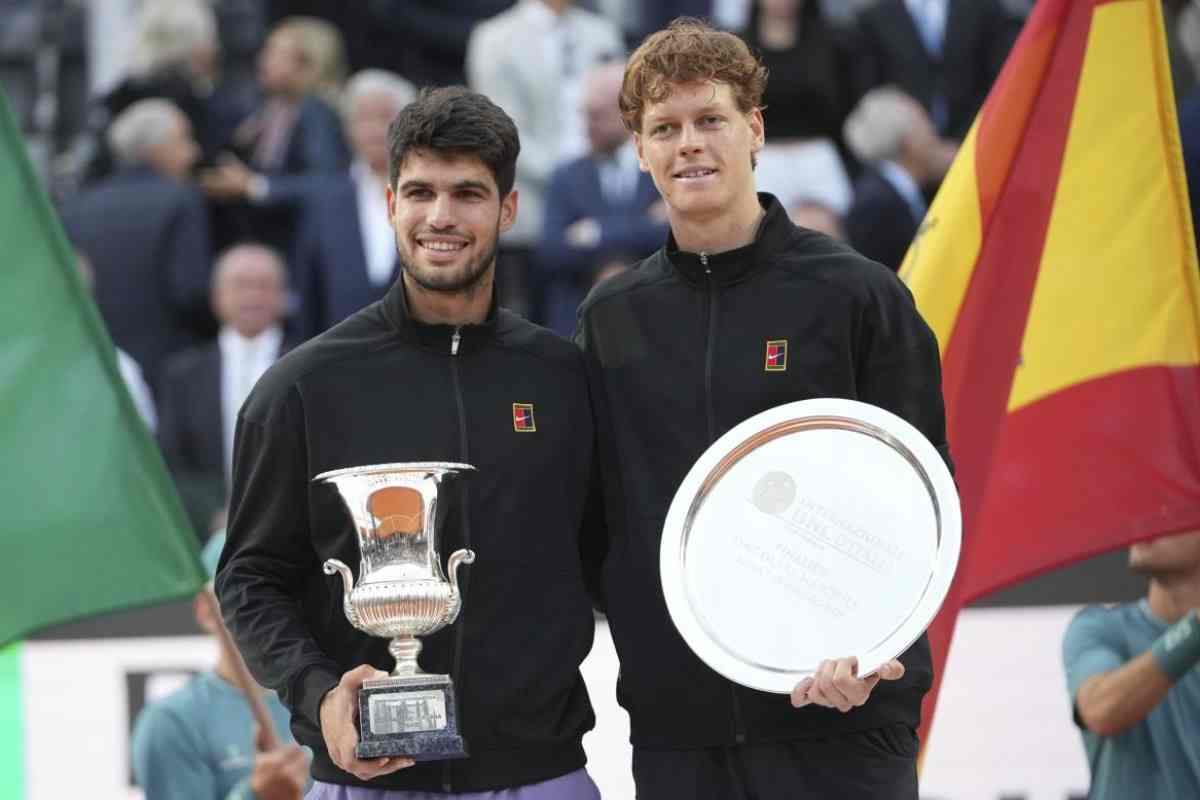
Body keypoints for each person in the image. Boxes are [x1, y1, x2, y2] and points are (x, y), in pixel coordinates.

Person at [574, 19, 950, 798]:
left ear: (755, 129)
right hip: (681, 736)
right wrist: (655, 643)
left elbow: (920, 500)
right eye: (665, 128)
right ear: (639, 150)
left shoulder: (857, 294)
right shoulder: (611, 318)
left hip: (841, 718)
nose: (689, 145)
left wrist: (874, 646)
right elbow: (603, 518)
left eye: (710, 119)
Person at [215, 86, 602, 798]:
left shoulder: (563, 378)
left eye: (468, 193)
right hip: (368, 780)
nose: (441, 216)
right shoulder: (303, 387)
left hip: (539, 775)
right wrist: (321, 696)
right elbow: (248, 579)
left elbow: (617, 560)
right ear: (391, 203)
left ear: (508, 209)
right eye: (421, 192)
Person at [132, 533, 308, 800]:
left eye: (284, 587)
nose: (268, 609)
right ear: (205, 611)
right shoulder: (172, 723)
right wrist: (255, 795)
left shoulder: (333, 703)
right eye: (244, 592)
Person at [61, 98, 213, 392]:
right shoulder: (181, 201)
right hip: (164, 370)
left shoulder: (76, 206)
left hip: (93, 363)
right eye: (184, 140)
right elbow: (190, 292)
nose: (194, 152)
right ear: (157, 149)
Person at [158, 244, 291, 539]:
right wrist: (215, 514)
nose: (252, 297)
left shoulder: (313, 368)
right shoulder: (182, 376)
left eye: (264, 286)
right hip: (208, 537)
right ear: (217, 296)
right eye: (241, 285)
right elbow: (170, 464)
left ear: (283, 297)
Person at [1062, 530, 1200, 799]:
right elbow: (1100, 709)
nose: (1144, 525)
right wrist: (1194, 630)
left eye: (1167, 514)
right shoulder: (1100, 628)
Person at [537, 61, 668, 337]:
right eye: (584, 115)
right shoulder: (566, 176)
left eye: (596, 115)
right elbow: (551, 251)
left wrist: (596, 233)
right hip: (580, 325)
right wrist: (643, 226)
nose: (586, 126)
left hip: (656, 320)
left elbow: (675, 237)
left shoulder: (662, 168)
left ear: (628, 113)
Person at [842, 87, 953, 272]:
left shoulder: (899, 191)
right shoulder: (875, 204)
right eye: (924, 124)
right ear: (909, 139)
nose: (934, 135)